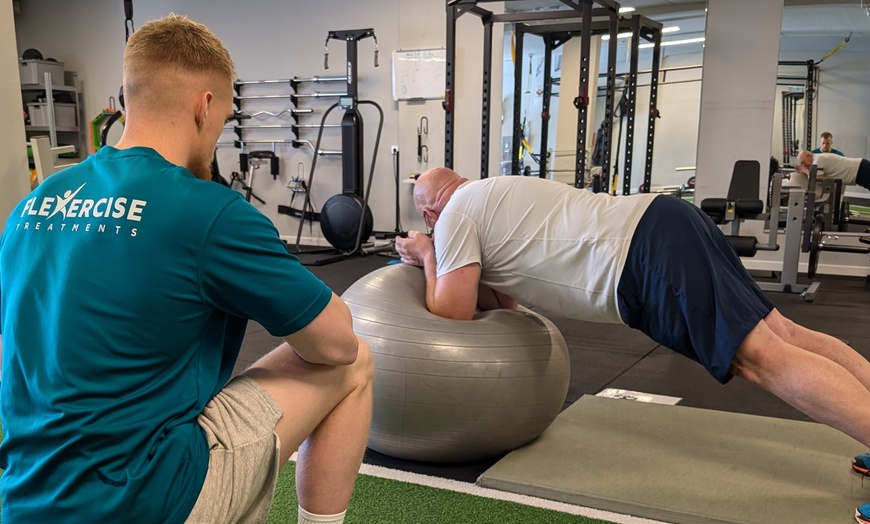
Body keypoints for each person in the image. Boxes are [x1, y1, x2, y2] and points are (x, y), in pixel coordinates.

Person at [0, 14, 373, 524]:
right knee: (355, 363)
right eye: (221, 122)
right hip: (140, 503)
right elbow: (336, 345)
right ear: (205, 106)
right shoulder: (211, 211)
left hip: (22, 500)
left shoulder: (33, 205)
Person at [395, 166, 870, 522]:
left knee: (760, 358)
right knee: (785, 334)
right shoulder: (494, 190)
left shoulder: (453, 216)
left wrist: (427, 252)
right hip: (665, 218)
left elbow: (451, 311)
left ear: (429, 212)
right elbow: (505, 304)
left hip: (643, 254)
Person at [795, 149, 870, 191]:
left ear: (809, 155)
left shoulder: (818, 160)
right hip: (859, 171)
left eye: (803, 162)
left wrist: (806, 171)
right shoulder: (817, 159)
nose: (803, 165)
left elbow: (819, 182)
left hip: (861, 169)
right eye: (802, 164)